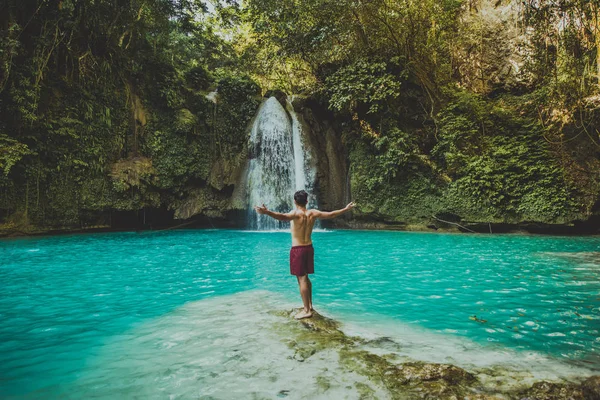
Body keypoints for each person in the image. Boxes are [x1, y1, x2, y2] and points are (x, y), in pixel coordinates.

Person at [254, 190, 355, 320]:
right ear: (307, 201)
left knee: (301, 279)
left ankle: (306, 310)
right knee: (305, 278)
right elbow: (330, 214)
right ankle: (310, 305)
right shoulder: (312, 213)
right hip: (309, 248)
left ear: (295, 201)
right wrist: (346, 209)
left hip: (298, 249)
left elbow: (281, 216)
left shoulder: (295, 213)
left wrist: (266, 212)